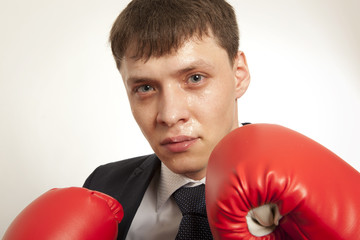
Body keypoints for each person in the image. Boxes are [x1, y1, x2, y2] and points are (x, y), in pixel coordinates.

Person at [83, 0, 250, 239]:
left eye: (195, 78)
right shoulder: (102, 185)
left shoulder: (308, 194)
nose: (170, 116)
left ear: (239, 76)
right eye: (146, 87)